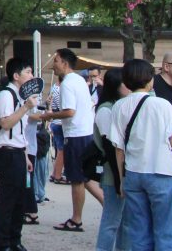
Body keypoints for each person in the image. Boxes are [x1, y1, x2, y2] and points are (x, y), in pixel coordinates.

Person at [110, 58, 172, 251]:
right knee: (165, 231)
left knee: (137, 232)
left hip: (133, 172)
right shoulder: (162, 105)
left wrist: (121, 180)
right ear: (150, 80)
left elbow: (119, 148)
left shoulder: (119, 106)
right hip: (161, 170)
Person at [42, 49, 103, 232]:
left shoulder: (68, 83)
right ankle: (109, 206)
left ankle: (76, 219)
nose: (53, 64)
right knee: (84, 177)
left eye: (56, 61)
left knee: (77, 179)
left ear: (65, 63)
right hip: (85, 133)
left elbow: (69, 111)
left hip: (76, 135)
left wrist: (46, 116)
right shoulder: (78, 80)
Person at [0, 58, 38, 251]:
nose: (31, 76)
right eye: (28, 72)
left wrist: (25, 155)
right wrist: (26, 107)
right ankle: (2, 243)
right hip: (6, 153)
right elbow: (6, 123)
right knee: (7, 200)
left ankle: (14, 240)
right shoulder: (6, 96)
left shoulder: (17, 96)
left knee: (19, 200)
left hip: (17, 153)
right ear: (16, 76)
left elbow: (19, 131)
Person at [94, 67, 130, 251]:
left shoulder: (118, 106)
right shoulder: (106, 110)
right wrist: (118, 179)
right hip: (112, 172)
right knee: (112, 220)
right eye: (125, 83)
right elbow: (110, 147)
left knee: (123, 221)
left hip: (119, 171)